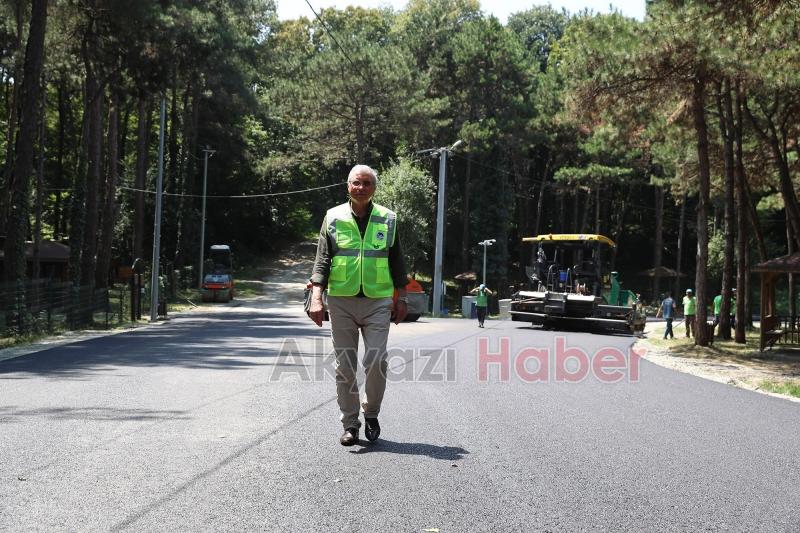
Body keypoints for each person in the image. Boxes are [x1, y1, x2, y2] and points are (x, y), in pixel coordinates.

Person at [307, 164, 408, 447]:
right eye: (356, 182)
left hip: (378, 300)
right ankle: (350, 423)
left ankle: (371, 413)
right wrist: (317, 297)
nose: (361, 187)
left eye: (366, 183)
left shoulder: (388, 218)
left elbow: (397, 260)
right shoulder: (333, 216)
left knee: (376, 360)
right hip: (341, 300)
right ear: (347, 186)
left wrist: (404, 297)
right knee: (345, 366)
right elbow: (322, 260)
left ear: (374, 188)